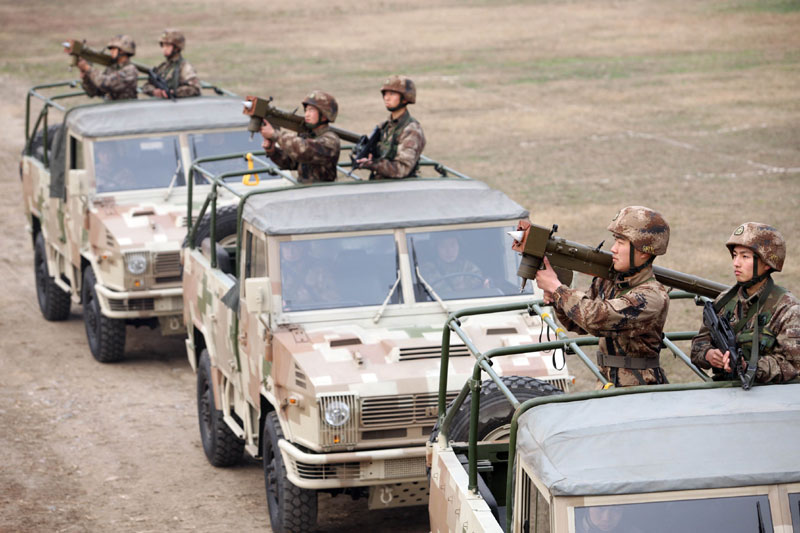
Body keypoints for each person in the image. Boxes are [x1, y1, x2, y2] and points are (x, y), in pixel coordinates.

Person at [535, 206, 671, 387]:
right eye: (615, 241)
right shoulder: (610, 282)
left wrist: (557, 288)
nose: (613, 249)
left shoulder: (652, 297)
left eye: (621, 243)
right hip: (607, 384)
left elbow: (595, 319)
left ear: (644, 252)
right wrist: (556, 298)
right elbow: (577, 323)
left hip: (639, 390)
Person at [690, 223, 800, 384]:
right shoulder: (724, 301)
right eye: (735, 255)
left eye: (745, 257)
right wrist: (709, 355)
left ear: (767, 263)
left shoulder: (787, 309)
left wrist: (749, 367)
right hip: (723, 390)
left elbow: (793, 365)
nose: (736, 263)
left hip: (768, 393)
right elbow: (698, 346)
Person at [260, 91, 341, 183]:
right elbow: (291, 162)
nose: (307, 114)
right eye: (306, 110)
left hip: (324, 190)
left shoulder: (331, 141)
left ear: (324, 115)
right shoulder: (308, 135)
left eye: (311, 110)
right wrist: (272, 151)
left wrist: (275, 135)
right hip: (303, 188)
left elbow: (304, 150)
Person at [355, 75, 426, 179]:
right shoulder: (384, 127)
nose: (386, 98)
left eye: (392, 94)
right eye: (385, 94)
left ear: (405, 99)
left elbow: (402, 168)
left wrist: (373, 164)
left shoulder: (411, 130)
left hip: (401, 186)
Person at [141, 29, 201, 98]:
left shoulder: (185, 67)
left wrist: (174, 92)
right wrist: (155, 91)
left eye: (167, 46)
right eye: (163, 45)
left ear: (176, 48)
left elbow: (195, 88)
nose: (164, 49)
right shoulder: (163, 67)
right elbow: (146, 86)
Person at [76, 35, 138, 101]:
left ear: (122, 51)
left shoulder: (130, 70)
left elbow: (106, 84)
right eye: (111, 49)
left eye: (114, 49)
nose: (111, 51)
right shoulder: (112, 68)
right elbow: (95, 92)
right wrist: (86, 77)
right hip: (111, 106)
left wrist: (88, 69)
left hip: (126, 106)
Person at [420, 234, 487, 292]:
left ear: (459, 246)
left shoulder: (468, 266)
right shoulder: (427, 269)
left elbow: (479, 282)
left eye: (453, 245)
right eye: (443, 246)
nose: (449, 251)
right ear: (436, 248)